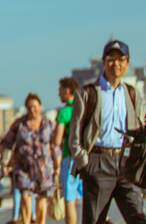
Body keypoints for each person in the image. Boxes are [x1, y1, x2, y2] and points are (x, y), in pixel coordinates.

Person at [68, 40, 146, 224]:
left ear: (127, 63)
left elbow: (140, 129)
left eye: (121, 60)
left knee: (138, 218)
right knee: (95, 220)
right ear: (103, 62)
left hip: (126, 164)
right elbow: (75, 133)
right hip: (98, 163)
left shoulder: (132, 94)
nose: (116, 64)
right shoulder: (88, 93)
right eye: (111, 59)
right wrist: (84, 163)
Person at [0, 94, 55, 224]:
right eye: (29, 107)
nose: (32, 110)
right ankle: (26, 222)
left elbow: (55, 147)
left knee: (41, 199)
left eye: (35, 107)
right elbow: (6, 141)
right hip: (23, 167)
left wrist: (57, 166)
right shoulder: (20, 124)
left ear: (40, 107)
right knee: (24, 195)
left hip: (43, 168)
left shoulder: (48, 125)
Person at [54, 78, 83, 224]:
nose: (59, 95)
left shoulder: (64, 113)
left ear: (67, 91)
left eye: (60, 91)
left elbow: (57, 140)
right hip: (85, 158)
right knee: (87, 198)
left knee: (69, 200)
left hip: (69, 159)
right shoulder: (83, 108)